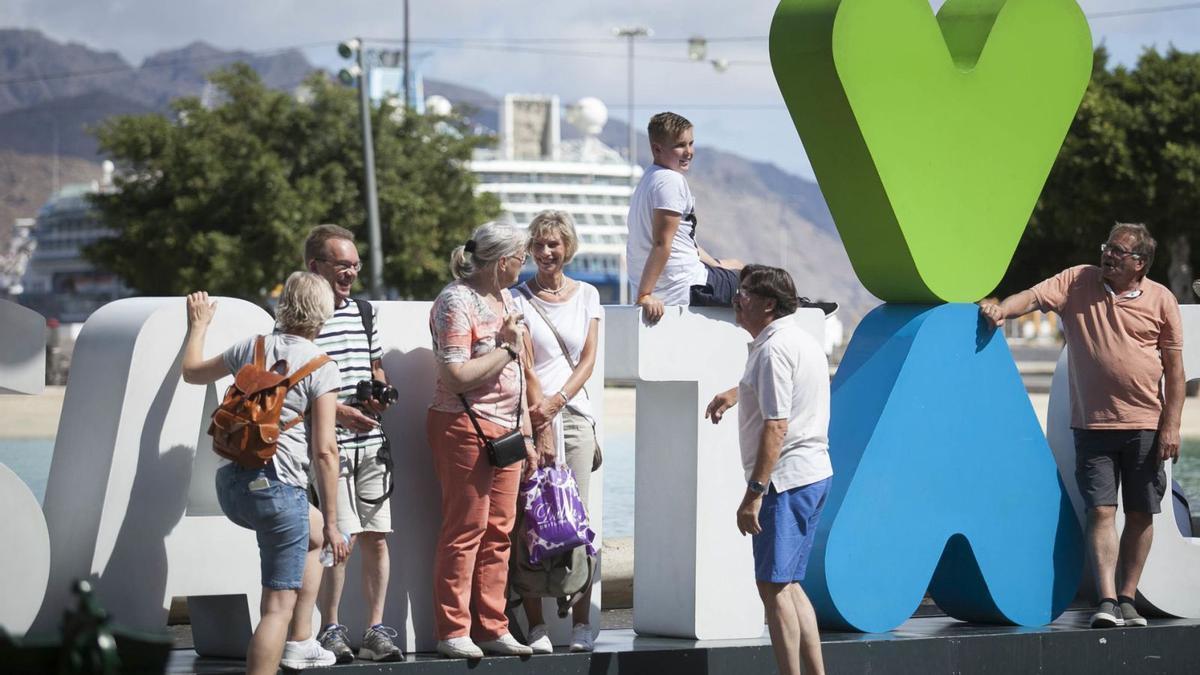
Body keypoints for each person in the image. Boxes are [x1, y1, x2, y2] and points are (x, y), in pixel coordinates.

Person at [980, 223, 1184, 629]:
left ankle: (1129, 597)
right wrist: (1002, 309)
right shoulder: (1077, 281)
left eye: (1118, 251)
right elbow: (1035, 297)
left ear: (1139, 263)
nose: (1108, 254)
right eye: (1107, 246)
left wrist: (1171, 426)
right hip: (1092, 425)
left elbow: (1176, 373)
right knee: (1101, 511)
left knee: (1142, 513)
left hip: (1146, 425)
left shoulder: (1162, 299)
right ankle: (1107, 601)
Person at [181, 272, 350, 674]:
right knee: (276, 608)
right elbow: (325, 451)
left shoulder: (251, 348)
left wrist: (199, 326)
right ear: (322, 314)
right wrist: (332, 521)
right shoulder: (322, 366)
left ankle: (301, 641)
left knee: (309, 536)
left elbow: (192, 372)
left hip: (233, 487)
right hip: (279, 493)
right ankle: (284, 649)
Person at [705, 265, 831, 675]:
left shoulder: (773, 350)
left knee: (773, 588)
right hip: (812, 474)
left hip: (786, 482)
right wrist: (735, 392)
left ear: (769, 304)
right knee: (790, 585)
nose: (736, 300)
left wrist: (754, 494)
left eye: (745, 294)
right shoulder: (796, 340)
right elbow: (779, 392)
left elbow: (777, 425)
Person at [427, 221, 540, 659]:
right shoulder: (455, 301)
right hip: (464, 427)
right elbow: (455, 376)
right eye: (521, 258)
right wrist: (507, 348)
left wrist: (527, 431)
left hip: (507, 431)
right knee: (465, 529)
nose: (524, 265)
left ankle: (493, 626)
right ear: (502, 261)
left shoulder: (506, 298)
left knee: (499, 533)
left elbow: (517, 374)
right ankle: (453, 629)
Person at [626, 111, 836, 325]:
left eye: (691, 143)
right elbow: (662, 243)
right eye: (680, 145)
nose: (689, 152)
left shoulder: (648, 180)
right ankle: (802, 309)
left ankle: (797, 303)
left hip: (675, 281)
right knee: (758, 282)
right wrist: (644, 295)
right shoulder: (670, 182)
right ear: (657, 148)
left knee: (736, 266)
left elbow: (684, 241)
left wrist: (718, 264)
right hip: (686, 287)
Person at [303, 224, 403, 662]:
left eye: (355, 266)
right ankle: (330, 629)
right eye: (342, 265)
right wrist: (340, 412)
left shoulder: (364, 312)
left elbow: (375, 364)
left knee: (377, 537)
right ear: (315, 266)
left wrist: (378, 392)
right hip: (330, 445)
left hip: (372, 444)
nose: (350, 274)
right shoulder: (302, 316)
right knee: (338, 541)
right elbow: (296, 382)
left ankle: (376, 630)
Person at [510, 210, 602, 653]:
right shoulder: (517, 298)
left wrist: (558, 401)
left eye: (554, 244)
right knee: (528, 518)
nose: (547, 253)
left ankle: (582, 621)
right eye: (540, 245)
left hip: (573, 415)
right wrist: (537, 411)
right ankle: (536, 624)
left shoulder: (587, 294)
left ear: (568, 246)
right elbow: (523, 360)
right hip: (528, 418)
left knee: (575, 518)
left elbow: (587, 360)